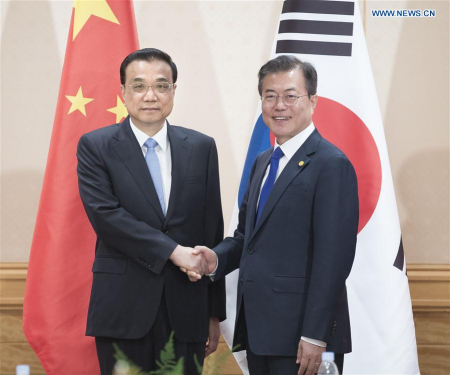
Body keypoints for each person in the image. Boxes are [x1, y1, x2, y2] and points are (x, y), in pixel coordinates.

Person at [185, 55, 359, 375]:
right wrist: (215, 259)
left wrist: (315, 335)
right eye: (270, 96)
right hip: (259, 331)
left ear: (312, 101)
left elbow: (333, 261)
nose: (280, 105)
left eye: (291, 95)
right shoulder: (264, 162)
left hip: (301, 337)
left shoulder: (331, 164)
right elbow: (246, 239)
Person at [76, 48, 226, 375]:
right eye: (139, 85)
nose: (150, 96)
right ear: (123, 92)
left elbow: (212, 229)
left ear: (174, 90)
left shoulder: (201, 147)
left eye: (161, 86)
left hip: (187, 309)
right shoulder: (96, 146)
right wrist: (173, 252)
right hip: (123, 308)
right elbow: (106, 217)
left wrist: (213, 314)